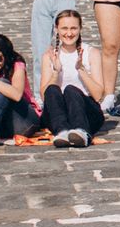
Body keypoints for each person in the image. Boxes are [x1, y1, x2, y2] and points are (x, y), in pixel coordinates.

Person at [40, 9, 105, 147]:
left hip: (86, 112)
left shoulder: (91, 53)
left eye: (73, 28)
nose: (69, 33)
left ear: (80, 29)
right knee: (52, 88)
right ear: (57, 29)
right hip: (59, 114)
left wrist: (81, 70)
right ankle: (62, 132)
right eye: (64, 28)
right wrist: (56, 72)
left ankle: (82, 132)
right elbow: (45, 96)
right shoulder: (49, 56)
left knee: (70, 90)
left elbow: (99, 95)